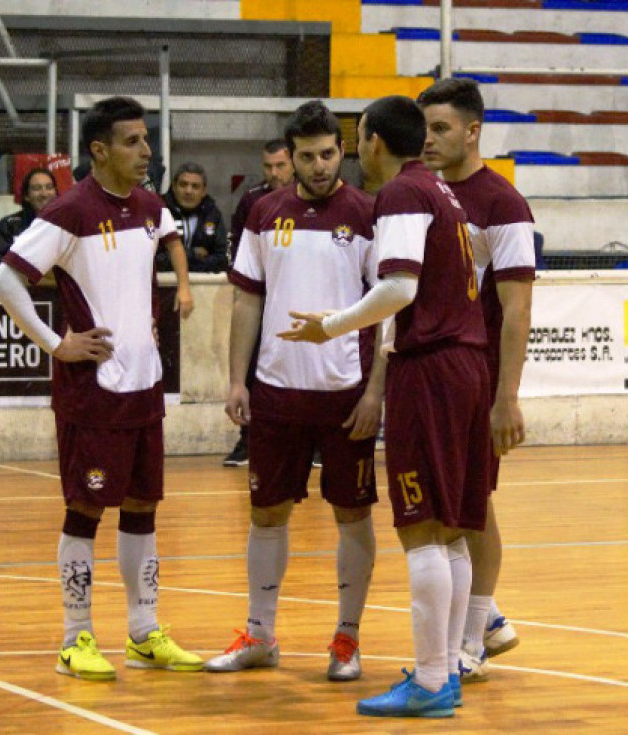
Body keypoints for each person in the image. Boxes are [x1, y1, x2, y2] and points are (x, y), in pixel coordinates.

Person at [280, 95, 491, 719]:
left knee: (422, 528)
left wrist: (333, 326)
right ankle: (445, 670)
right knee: (449, 532)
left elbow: (399, 285)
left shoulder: (402, 193)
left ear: (371, 141)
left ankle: (430, 683)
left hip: (432, 371)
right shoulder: (442, 192)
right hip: (467, 366)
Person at [0, 96, 201, 681]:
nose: (146, 152)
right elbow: (4, 281)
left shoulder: (152, 206)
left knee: (142, 508)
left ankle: (143, 631)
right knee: (85, 510)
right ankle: (74, 637)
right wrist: (57, 345)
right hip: (93, 391)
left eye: (147, 140)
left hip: (144, 384)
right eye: (133, 141)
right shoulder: (69, 210)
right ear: (99, 150)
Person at [204, 100, 383, 682]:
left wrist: (375, 392)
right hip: (277, 391)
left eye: (328, 153)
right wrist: (238, 378)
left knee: (352, 516)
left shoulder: (368, 214)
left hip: (346, 395)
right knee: (266, 513)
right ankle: (260, 636)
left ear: (343, 150)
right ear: (290, 157)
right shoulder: (262, 213)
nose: (319, 165)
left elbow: (389, 312)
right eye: (306, 156)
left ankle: (347, 639)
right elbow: (247, 299)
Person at [417, 77, 534, 682]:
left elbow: (517, 308)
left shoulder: (502, 204)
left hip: (477, 378)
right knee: (455, 507)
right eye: (425, 128)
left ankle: (475, 636)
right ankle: (486, 620)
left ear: (473, 132)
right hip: (433, 377)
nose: (429, 139)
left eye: (441, 128)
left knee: (472, 507)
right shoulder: (421, 192)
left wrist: (505, 396)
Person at [223, 139, 296, 467]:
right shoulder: (252, 200)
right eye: (268, 167)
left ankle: (317, 445)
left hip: (301, 299)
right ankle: (247, 440)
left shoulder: (318, 197)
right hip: (261, 299)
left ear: (292, 163)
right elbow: (236, 247)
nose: (274, 173)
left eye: (280, 165)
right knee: (252, 367)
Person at [157, 161, 229, 274]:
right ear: (174, 187)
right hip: (165, 284)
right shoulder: (160, 211)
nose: (188, 191)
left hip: (204, 285)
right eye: (183, 185)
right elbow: (155, 260)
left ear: (204, 191)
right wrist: (192, 254)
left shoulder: (213, 214)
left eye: (195, 186)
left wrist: (191, 266)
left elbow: (221, 260)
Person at [0, 168, 58, 271]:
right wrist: (28, 270)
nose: (44, 194)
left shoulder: (68, 226)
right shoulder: (8, 226)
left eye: (49, 187)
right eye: (37, 188)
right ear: (26, 196)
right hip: (20, 285)